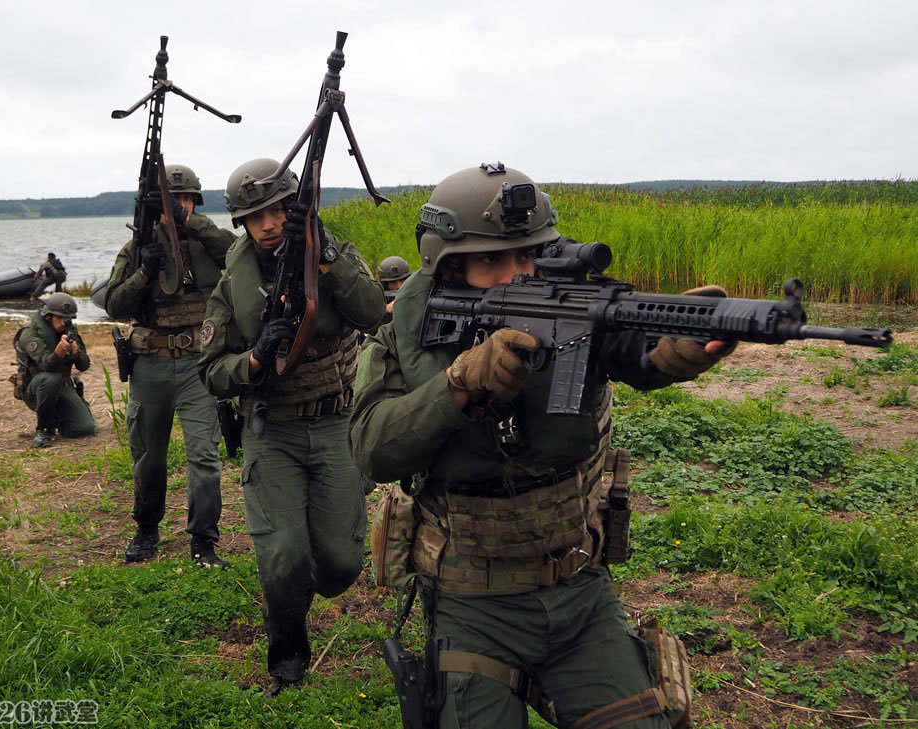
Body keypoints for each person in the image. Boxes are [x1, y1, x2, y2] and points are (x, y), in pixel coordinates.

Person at [348, 164, 736, 729]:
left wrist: (668, 350)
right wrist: (458, 384)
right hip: (471, 599)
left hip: (579, 590)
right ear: (446, 265)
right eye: (491, 260)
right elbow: (372, 447)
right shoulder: (405, 337)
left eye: (529, 256)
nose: (515, 275)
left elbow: (633, 350)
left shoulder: (577, 312)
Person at [198, 157, 385, 697]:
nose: (270, 223)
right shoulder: (234, 281)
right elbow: (211, 372)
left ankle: (301, 588)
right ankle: (288, 657)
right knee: (282, 556)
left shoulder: (331, 253)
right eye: (257, 216)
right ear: (243, 223)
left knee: (341, 566)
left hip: (335, 424)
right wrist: (253, 362)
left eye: (278, 210)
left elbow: (373, 311)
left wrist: (325, 259)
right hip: (271, 430)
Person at [105, 163, 236, 568]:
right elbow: (114, 304)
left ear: (193, 202)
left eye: (183, 200)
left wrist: (191, 224)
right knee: (148, 454)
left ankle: (203, 538)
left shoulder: (208, 241)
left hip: (199, 364)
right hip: (151, 364)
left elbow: (238, 251)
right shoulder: (139, 246)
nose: (175, 208)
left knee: (204, 455)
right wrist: (144, 273)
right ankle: (147, 527)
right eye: (168, 202)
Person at [15, 293, 96, 448]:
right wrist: (59, 352)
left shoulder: (69, 331)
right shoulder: (29, 333)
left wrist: (75, 353)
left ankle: (60, 417)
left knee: (84, 428)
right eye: (58, 317)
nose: (62, 322)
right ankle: (45, 429)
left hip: (61, 387)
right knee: (51, 378)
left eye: (66, 318)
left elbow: (84, 365)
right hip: (36, 388)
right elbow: (46, 365)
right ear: (48, 315)